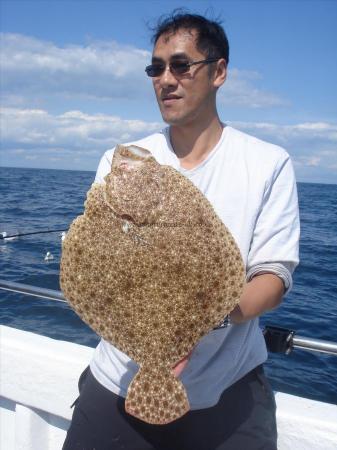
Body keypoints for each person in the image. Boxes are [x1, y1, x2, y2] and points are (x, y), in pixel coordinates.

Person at [62, 11, 300, 450]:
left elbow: (273, 277)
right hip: (117, 382)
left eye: (180, 65)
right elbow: (91, 263)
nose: (165, 79)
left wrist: (200, 325)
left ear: (219, 71)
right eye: (155, 68)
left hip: (228, 395)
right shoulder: (124, 160)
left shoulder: (267, 163)